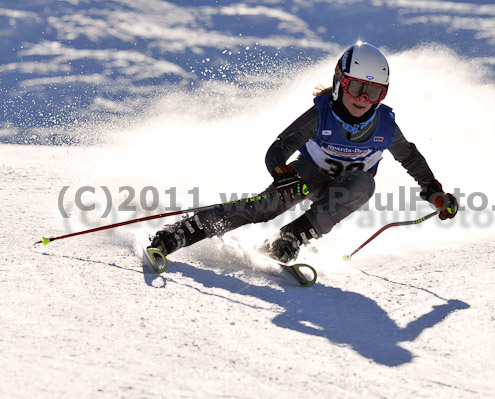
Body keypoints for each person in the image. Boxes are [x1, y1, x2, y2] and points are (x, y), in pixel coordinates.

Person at [147, 42, 458, 265]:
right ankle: (184, 230)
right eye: (356, 88)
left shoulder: (384, 126)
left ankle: (290, 239)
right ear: (340, 83)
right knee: (265, 208)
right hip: (307, 175)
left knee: (364, 184)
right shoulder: (321, 115)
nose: (364, 98)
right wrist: (281, 173)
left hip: (346, 188)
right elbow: (279, 148)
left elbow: (410, 157)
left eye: (374, 92)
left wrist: (433, 192)